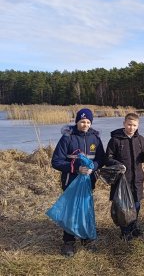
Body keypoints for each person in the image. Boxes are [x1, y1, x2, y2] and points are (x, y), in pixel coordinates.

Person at [51, 108, 105, 257]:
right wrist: (75, 168)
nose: (85, 124)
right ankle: (68, 242)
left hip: (88, 182)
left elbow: (102, 159)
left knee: (85, 209)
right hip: (71, 181)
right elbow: (56, 161)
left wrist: (93, 167)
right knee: (71, 211)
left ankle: (85, 238)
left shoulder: (95, 138)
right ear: (77, 122)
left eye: (88, 122)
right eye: (82, 121)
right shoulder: (68, 137)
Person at [105, 112, 144, 241]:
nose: (131, 127)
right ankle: (125, 231)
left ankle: (133, 227)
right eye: (129, 124)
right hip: (121, 180)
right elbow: (108, 159)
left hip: (137, 179)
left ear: (138, 125)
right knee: (123, 206)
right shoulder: (115, 140)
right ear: (124, 124)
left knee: (136, 205)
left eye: (134, 125)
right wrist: (118, 164)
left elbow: (142, 158)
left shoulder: (140, 139)